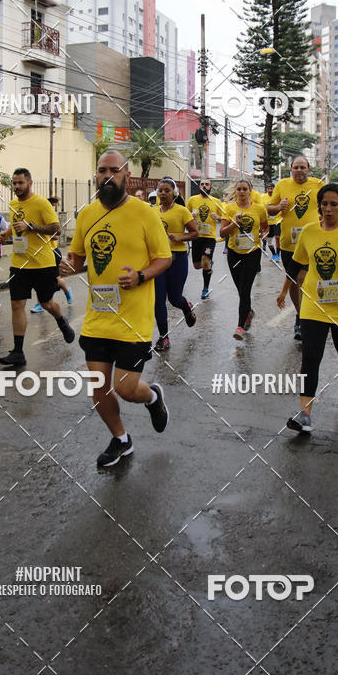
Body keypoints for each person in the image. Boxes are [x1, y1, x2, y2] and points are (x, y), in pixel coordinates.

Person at [59, 150, 172, 468]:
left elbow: (164, 258)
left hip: (133, 319)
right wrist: (69, 266)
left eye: (114, 170)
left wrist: (140, 276)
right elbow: (78, 257)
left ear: (127, 176)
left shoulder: (144, 213)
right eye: (101, 170)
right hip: (98, 317)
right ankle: (121, 439)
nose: (107, 176)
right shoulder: (87, 214)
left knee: (125, 388)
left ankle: (151, 397)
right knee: (98, 386)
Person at [277, 183, 338, 433]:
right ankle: (305, 414)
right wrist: (283, 291)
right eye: (324, 204)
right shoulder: (309, 232)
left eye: (334, 204)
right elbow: (297, 265)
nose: (329, 209)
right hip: (313, 305)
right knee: (311, 357)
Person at [0, 168, 74, 366]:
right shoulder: (13, 203)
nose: (16, 187)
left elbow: (56, 227)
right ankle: (18, 352)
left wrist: (31, 226)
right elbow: (16, 225)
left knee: (46, 303)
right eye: (14, 183)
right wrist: (5, 234)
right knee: (17, 305)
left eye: (20, 183)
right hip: (19, 264)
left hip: (42, 264)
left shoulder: (41, 203)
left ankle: (61, 321)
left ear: (30, 183)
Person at [267, 156, 323, 341]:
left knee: (302, 279)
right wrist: (278, 206)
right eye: (296, 167)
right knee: (291, 280)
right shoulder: (282, 184)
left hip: (312, 242)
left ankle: (306, 318)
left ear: (309, 169)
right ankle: (300, 315)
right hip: (288, 243)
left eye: (303, 167)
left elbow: (329, 205)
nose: (299, 170)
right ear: (290, 169)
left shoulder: (318, 185)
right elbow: (269, 209)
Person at [153, 178, 198, 352]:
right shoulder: (153, 211)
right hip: (158, 260)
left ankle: (186, 306)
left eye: (166, 191)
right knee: (158, 301)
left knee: (174, 298)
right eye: (160, 191)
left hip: (177, 258)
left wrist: (180, 237)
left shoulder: (182, 211)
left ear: (174, 193)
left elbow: (195, 233)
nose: (163, 194)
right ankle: (164, 338)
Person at [220, 179, 268, 339]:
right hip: (234, 253)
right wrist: (235, 223)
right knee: (241, 290)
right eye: (238, 189)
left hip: (252, 253)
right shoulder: (229, 208)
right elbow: (222, 233)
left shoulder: (259, 209)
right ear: (236, 191)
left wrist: (263, 234)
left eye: (244, 189)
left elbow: (265, 227)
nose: (241, 192)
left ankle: (239, 327)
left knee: (245, 289)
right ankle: (249, 311)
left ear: (250, 190)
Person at [186, 179, 227, 299]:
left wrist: (218, 217)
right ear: (199, 186)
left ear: (211, 187)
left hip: (209, 237)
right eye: (202, 184)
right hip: (196, 236)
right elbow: (184, 215)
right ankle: (209, 263)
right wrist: (191, 216)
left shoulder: (216, 201)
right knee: (197, 265)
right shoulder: (192, 200)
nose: (204, 186)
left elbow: (225, 218)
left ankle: (205, 288)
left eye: (207, 184)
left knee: (205, 261)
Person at [31, 196, 73, 312]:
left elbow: (56, 236)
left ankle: (67, 291)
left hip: (53, 252)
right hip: (42, 252)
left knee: (56, 279)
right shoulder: (38, 219)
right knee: (40, 279)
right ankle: (41, 303)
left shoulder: (51, 218)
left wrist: (44, 235)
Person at [260, 182, 281, 260]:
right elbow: (261, 207)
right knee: (269, 241)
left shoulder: (278, 196)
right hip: (268, 222)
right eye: (268, 189)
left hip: (277, 220)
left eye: (271, 189)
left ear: (274, 189)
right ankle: (274, 254)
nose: (270, 190)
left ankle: (278, 255)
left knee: (277, 238)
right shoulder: (262, 197)